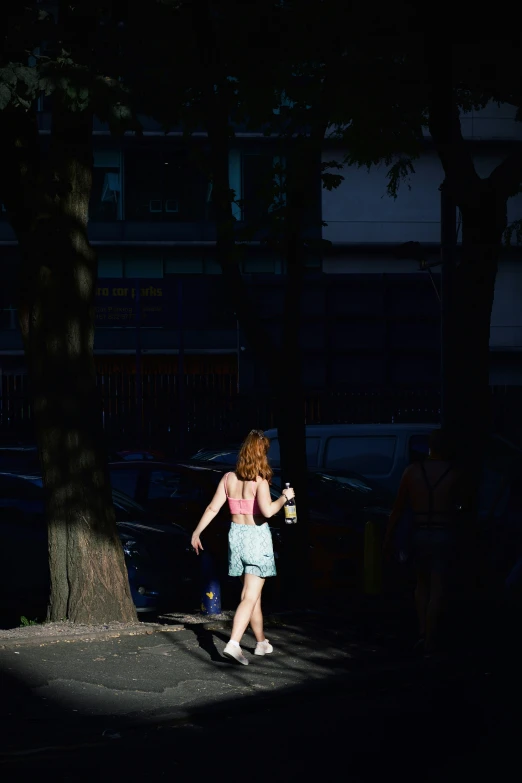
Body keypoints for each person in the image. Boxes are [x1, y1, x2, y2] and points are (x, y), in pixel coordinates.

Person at [191, 429, 294, 665]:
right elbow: (268, 511)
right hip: (256, 538)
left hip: (235, 538)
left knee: (252, 596)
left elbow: (212, 509)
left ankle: (261, 642)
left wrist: (197, 531)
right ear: (261, 454)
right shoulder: (260, 481)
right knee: (249, 595)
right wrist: (285, 497)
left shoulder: (228, 478)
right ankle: (234, 643)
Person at [384, 429, 462, 656]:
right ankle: (431, 636)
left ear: (430, 447)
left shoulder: (412, 472)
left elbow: (397, 509)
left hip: (418, 533)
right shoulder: (455, 473)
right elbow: (462, 509)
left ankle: (421, 632)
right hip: (444, 533)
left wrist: (389, 538)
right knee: (438, 585)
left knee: (421, 585)